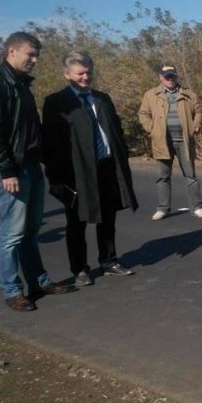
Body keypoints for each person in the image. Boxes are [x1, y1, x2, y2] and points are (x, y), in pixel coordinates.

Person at [0, 32, 77, 312]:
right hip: (12, 169)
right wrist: (6, 170)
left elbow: (28, 128)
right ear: (11, 51)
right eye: (31, 54)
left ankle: (38, 281)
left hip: (30, 165)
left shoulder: (21, 84)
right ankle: (12, 290)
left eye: (37, 55)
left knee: (30, 230)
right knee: (11, 233)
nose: (35, 60)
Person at [42, 51, 138, 286]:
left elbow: (115, 131)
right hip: (76, 173)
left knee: (108, 218)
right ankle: (80, 269)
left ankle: (109, 260)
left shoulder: (102, 98)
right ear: (67, 74)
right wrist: (56, 176)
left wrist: (122, 156)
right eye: (80, 73)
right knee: (77, 222)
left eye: (88, 72)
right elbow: (51, 142)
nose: (86, 77)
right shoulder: (56, 103)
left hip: (106, 167)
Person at [137, 63, 202, 221]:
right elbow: (143, 113)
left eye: (172, 75)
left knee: (190, 175)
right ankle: (163, 208)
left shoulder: (189, 94)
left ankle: (197, 207)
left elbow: (199, 110)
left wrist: (195, 126)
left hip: (184, 141)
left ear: (176, 76)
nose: (170, 79)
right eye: (167, 76)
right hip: (162, 141)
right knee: (163, 176)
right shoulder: (150, 95)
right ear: (160, 77)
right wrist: (152, 129)